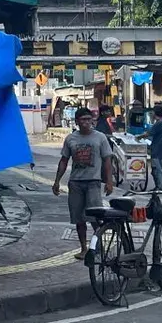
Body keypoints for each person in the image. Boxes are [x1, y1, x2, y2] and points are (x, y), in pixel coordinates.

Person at [52, 108, 114, 262]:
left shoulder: (100, 138)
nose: (86, 122)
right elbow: (64, 160)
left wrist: (109, 181)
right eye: (83, 120)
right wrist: (57, 181)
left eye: (89, 119)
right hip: (75, 183)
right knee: (78, 219)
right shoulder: (70, 139)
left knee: (95, 217)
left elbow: (107, 160)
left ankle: (98, 244)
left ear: (92, 120)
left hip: (93, 182)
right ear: (77, 121)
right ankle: (83, 248)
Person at [148, 105, 162, 190]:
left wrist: (138, 137)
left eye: (152, 112)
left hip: (158, 150)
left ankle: (160, 187)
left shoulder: (159, 123)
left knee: (158, 169)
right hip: (160, 149)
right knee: (155, 169)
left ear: (155, 113)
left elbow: (148, 133)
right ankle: (158, 186)